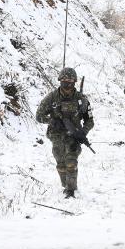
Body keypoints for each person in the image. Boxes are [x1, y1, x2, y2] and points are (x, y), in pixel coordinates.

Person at [36, 67, 94, 199]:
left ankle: (71, 190)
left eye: (70, 80)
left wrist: (82, 133)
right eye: (64, 80)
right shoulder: (51, 97)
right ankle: (65, 185)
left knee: (71, 161)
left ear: (74, 82)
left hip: (73, 135)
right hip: (56, 135)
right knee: (60, 163)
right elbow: (39, 116)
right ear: (60, 80)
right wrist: (51, 120)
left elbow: (90, 120)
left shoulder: (81, 99)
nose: (67, 83)